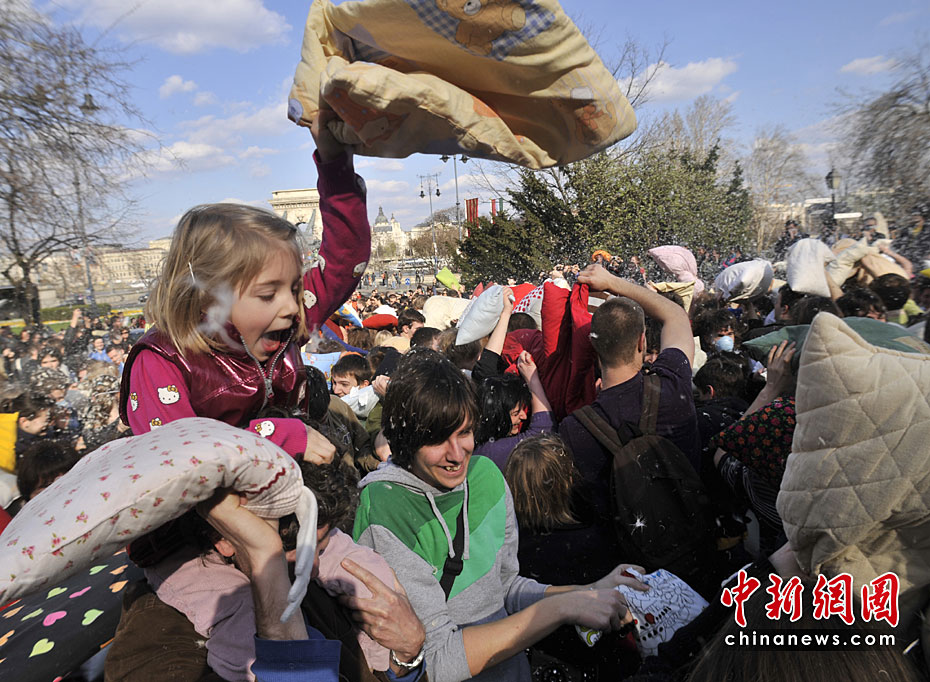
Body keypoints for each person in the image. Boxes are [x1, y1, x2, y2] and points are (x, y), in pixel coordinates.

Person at [113, 113, 373, 678]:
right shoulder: (162, 361)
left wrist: (334, 160)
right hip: (191, 548)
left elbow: (346, 258)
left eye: (296, 287)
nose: (293, 307)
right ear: (208, 299)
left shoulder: (283, 328)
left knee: (370, 582)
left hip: (286, 520)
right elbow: (182, 459)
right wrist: (282, 433)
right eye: (268, 292)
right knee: (246, 632)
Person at [354, 350, 645, 682]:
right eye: (436, 440)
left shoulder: (486, 476)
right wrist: (561, 608)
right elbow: (436, 661)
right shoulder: (383, 508)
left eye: (464, 432)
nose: (456, 455)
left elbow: (504, 588)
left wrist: (586, 593)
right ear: (405, 441)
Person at [558, 264, 705, 582]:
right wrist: (612, 282)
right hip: (695, 556)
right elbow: (675, 316)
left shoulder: (574, 428)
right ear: (642, 342)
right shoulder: (672, 385)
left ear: (593, 347)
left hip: (626, 574)